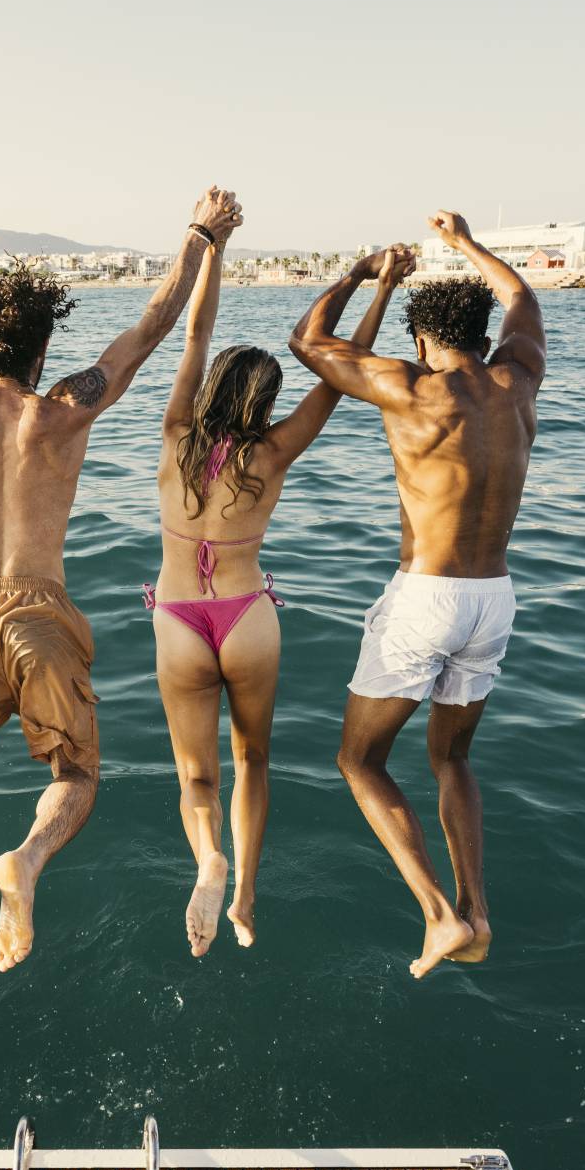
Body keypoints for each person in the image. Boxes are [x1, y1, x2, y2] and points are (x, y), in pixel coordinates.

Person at [0, 117, 242, 1015]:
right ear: (40, 346)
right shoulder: (64, 407)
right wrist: (201, 233)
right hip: (43, 607)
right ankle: (26, 861)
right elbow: (153, 324)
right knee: (75, 775)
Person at [289, 212, 546, 978]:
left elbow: (307, 341)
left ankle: (437, 915)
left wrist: (363, 270)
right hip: (493, 597)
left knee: (359, 759)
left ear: (423, 339)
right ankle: (475, 911)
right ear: (481, 335)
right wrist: (466, 244)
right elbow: (522, 299)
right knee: (451, 758)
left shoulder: (410, 388)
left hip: (426, 599)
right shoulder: (517, 378)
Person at [148, 239, 413, 957]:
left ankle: (208, 858)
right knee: (253, 762)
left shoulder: (174, 437)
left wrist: (214, 244)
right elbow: (341, 373)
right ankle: (242, 897)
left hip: (178, 619)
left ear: (211, 391)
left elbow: (195, 334)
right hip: (247, 619)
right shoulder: (274, 452)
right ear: (264, 403)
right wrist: (377, 288)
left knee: (196, 774)